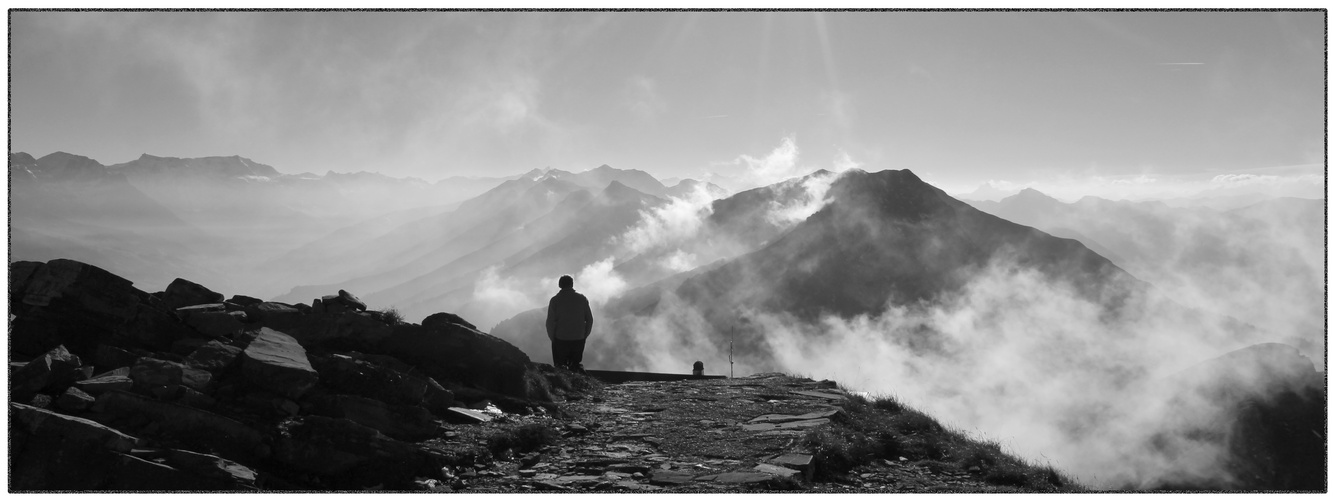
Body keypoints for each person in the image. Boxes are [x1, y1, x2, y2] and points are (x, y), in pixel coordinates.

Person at [546, 274, 593, 372]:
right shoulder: (582, 299)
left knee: (560, 366)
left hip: (561, 338)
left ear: (560, 285)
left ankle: (562, 384)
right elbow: (589, 319)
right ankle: (577, 382)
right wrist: (584, 335)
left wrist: (553, 339)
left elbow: (550, 322)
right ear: (572, 284)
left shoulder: (555, 300)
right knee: (575, 365)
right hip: (578, 338)